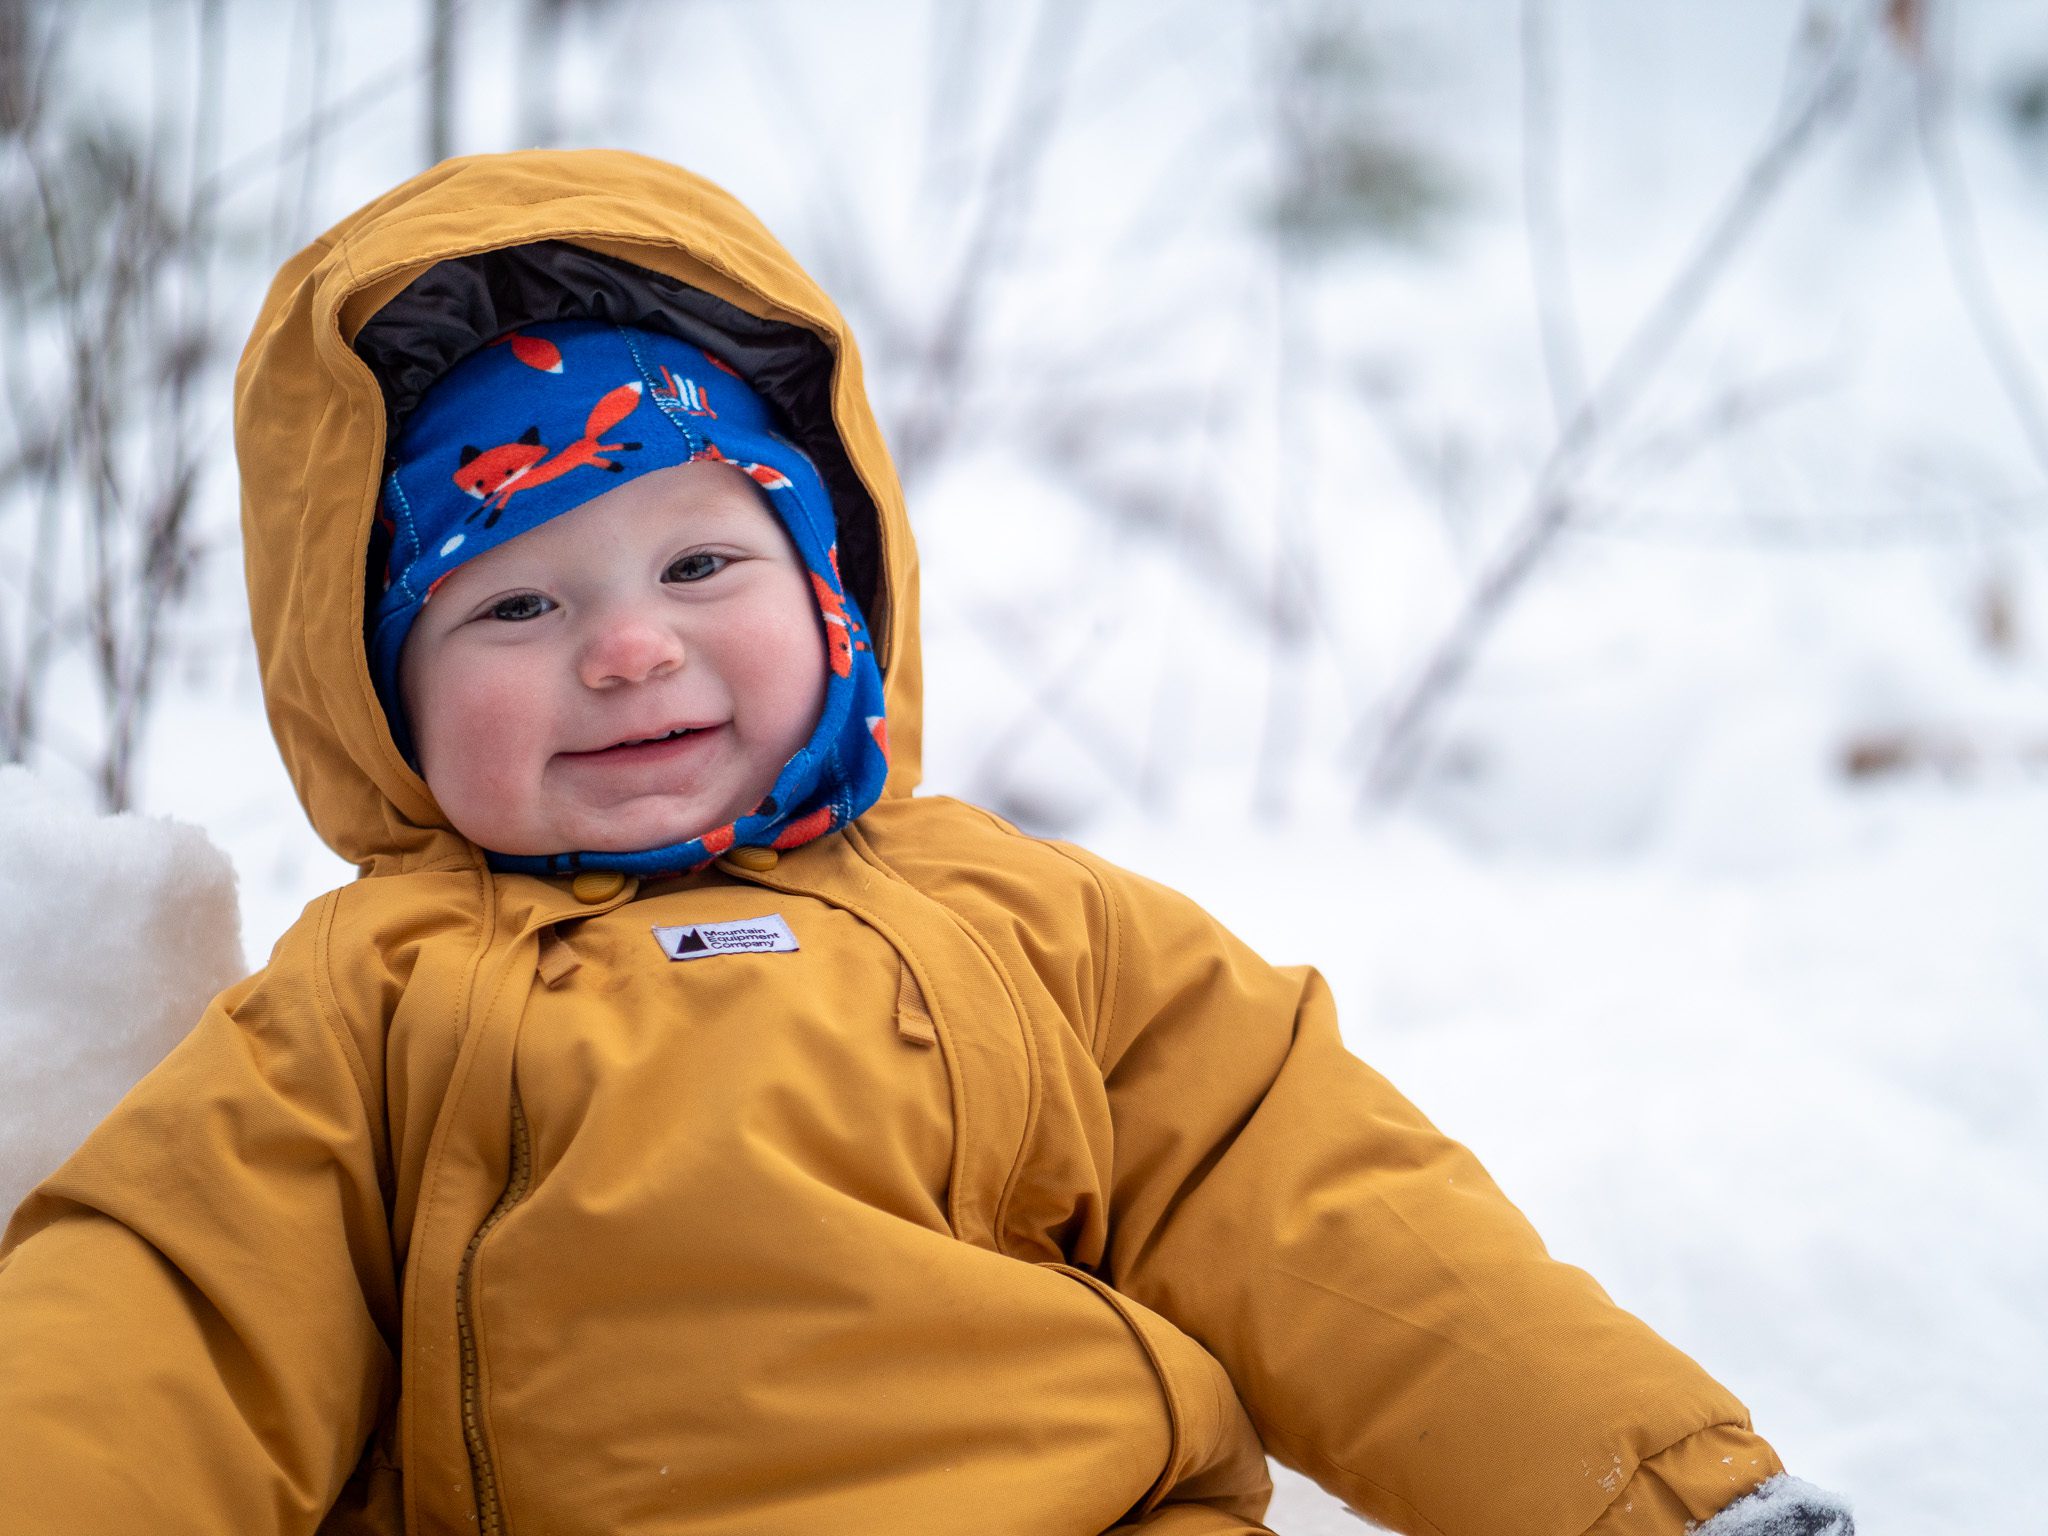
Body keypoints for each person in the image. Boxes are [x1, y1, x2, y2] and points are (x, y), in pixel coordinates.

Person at [0, 149, 1854, 1536]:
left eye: (702, 564)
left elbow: (1329, 1216)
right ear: (377, 688)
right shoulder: (372, 1000)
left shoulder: (1022, 922)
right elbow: (168, 1306)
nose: (628, 645)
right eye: (512, 608)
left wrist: (1654, 1490)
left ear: (833, 590)